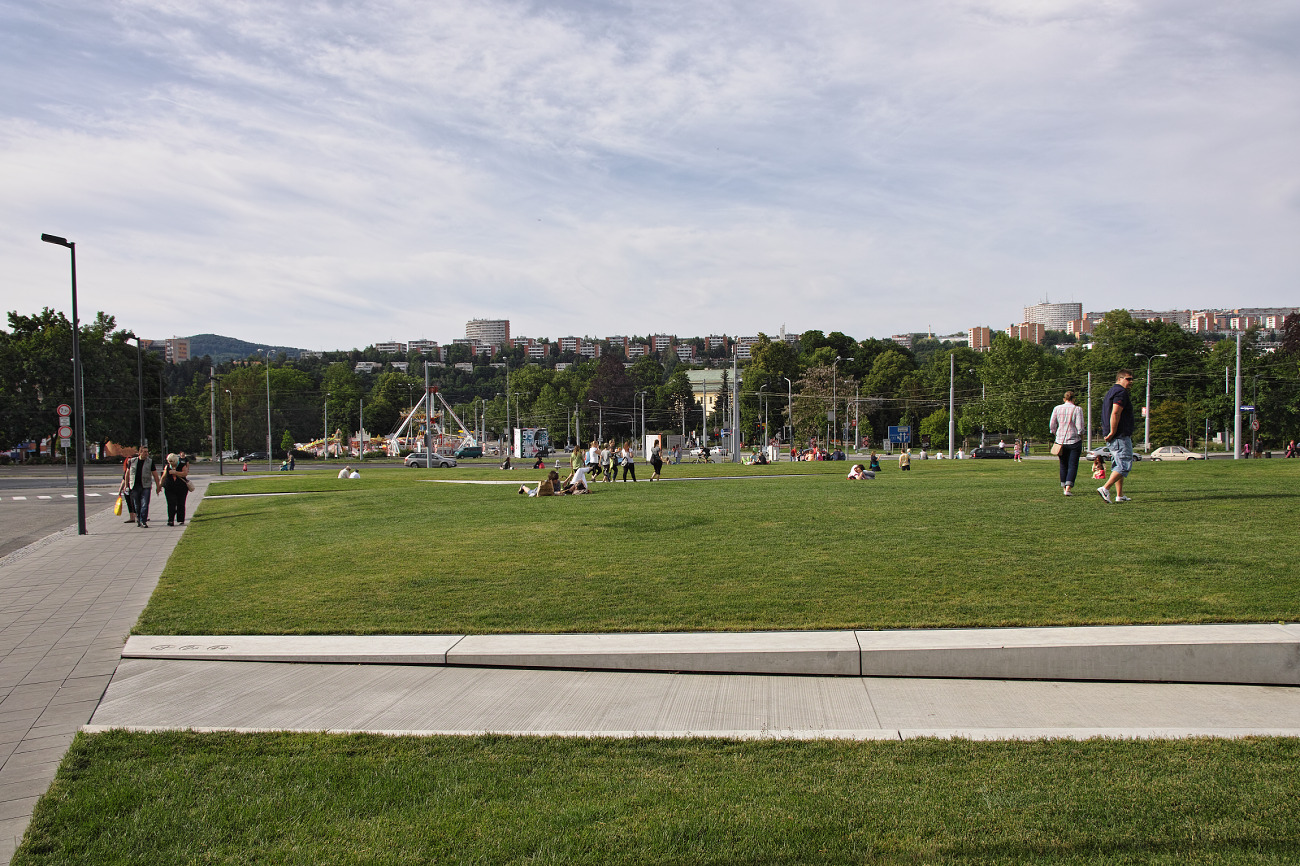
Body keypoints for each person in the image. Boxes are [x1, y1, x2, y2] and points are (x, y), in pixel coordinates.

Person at [1095, 369, 1136, 503]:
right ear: (1119, 379)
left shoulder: (1111, 391)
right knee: (1124, 465)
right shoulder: (1121, 393)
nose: (1131, 381)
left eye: (1132, 379)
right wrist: (1113, 431)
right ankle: (1105, 488)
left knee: (1118, 464)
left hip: (1114, 435)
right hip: (1119, 434)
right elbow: (1115, 412)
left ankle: (1120, 495)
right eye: (1128, 379)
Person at [1049, 390, 1085, 496]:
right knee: (1072, 464)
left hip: (1060, 441)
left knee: (1063, 464)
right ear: (1074, 399)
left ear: (1064, 399)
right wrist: (1081, 434)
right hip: (1074, 440)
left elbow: (1052, 425)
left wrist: (1056, 433)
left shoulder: (1057, 408)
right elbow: (1080, 427)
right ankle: (1068, 488)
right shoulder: (1077, 409)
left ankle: (1064, 486)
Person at [127, 447, 159, 528]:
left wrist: (158, 486)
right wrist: (126, 485)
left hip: (146, 486)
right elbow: (127, 473)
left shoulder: (150, 462)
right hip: (134, 486)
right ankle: (139, 519)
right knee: (137, 505)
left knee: (145, 503)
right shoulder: (132, 461)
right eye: (144, 452)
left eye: (147, 452)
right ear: (140, 452)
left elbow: (155, 474)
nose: (146, 454)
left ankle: (143, 521)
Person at [162, 452, 190, 526]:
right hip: (169, 488)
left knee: (181, 503)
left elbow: (185, 473)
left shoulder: (181, 465)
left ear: (176, 461)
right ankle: (171, 520)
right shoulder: (167, 467)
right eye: (169, 461)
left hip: (181, 488)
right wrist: (159, 486)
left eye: (172, 461)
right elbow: (163, 477)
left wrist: (175, 472)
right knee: (171, 504)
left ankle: (181, 519)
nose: (171, 463)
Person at [118, 455, 137, 523]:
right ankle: (132, 517)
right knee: (129, 503)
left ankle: (138, 517)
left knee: (134, 503)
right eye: (128, 461)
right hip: (127, 489)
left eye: (130, 461)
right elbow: (124, 480)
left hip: (133, 487)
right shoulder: (126, 470)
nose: (129, 462)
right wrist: (120, 489)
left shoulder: (134, 469)